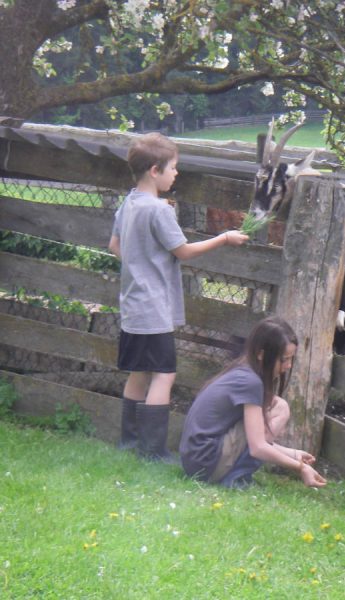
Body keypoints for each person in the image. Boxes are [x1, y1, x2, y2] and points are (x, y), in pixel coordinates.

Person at [108, 132, 248, 460]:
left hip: (132, 307)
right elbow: (183, 251)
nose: (176, 174)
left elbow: (115, 246)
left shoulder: (128, 203)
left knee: (139, 373)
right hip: (154, 309)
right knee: (164, 374)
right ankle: (153, 451)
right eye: (173, 168)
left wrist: (140, 265)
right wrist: (224, 238)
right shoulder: (159, 211)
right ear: (155, 170)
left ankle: (128, 443)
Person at [179, 316, 327, 489]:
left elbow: (251, 438)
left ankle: (234, 476)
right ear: (261, 354)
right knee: (280, 407)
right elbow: (257, 447)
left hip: (196, 462)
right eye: (284, 359)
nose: (288, 366)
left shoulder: (243, 371)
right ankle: (236, 479)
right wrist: (301, 468)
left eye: (291, 359)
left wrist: (292, 454)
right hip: (206, 464)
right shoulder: (251, 382)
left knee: (276, 405)